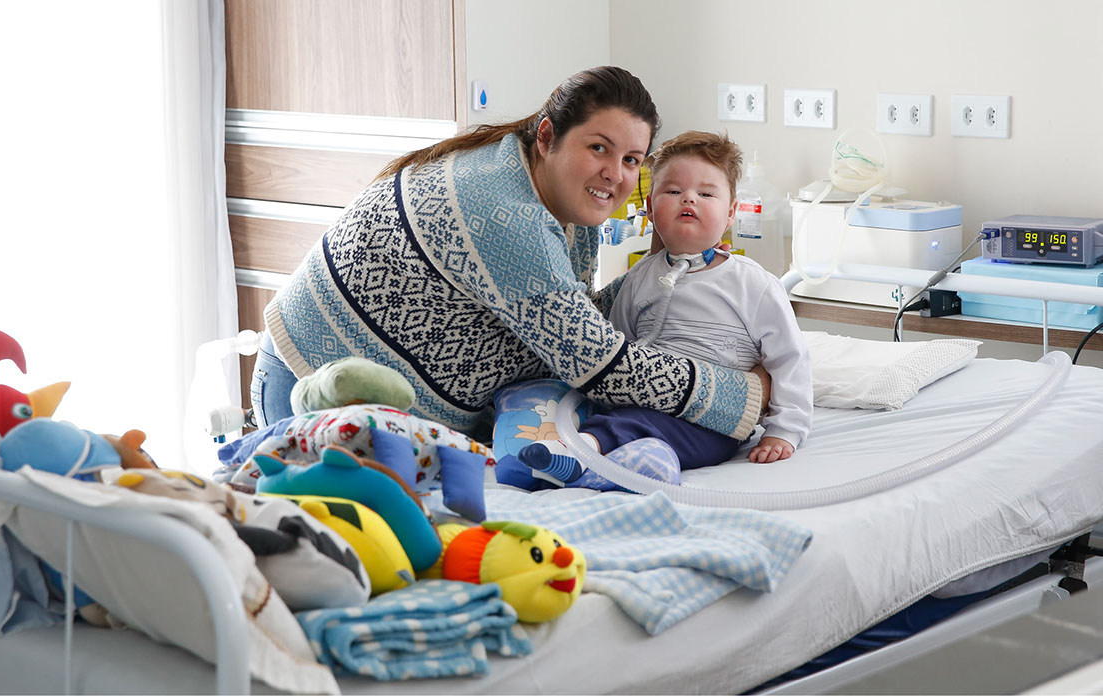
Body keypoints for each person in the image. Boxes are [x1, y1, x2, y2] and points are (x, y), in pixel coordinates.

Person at [251, 67, 769, 448]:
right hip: (316, 385)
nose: (615, 173)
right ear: (547, 137)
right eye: (599, 148)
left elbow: (568, 314)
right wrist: (749, 393)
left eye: (631, 159)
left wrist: (669, 273)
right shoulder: (505, 215)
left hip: (386, 405)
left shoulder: (560, 202)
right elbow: (599, 364)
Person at [514, 130, 811, 490]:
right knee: (618, 418)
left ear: (731, 212)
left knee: (634, 428)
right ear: (651, 210)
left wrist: (784, 430)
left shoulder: (754, 284)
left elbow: (790, 359)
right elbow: (615, 347)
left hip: (711, 421)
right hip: (642, 403)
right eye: (673, 191)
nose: (689, 198)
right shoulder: (639, 278)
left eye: (706, 193)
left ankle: (581, 452)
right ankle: (606, 461)